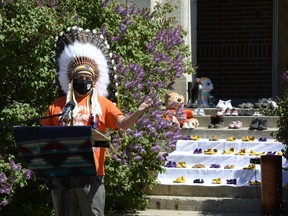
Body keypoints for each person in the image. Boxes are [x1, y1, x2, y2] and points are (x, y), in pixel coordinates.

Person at [41, 26, 152, 216]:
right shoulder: (58, 105)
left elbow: (122, 123)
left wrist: (139, 112)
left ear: (94, 82)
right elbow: (43, 135)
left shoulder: (103, 104)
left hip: (91, 172)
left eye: (87, 78)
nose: (83, 81)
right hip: (62, 171)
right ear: (71, 80)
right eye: (79, 78)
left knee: (93, 213)